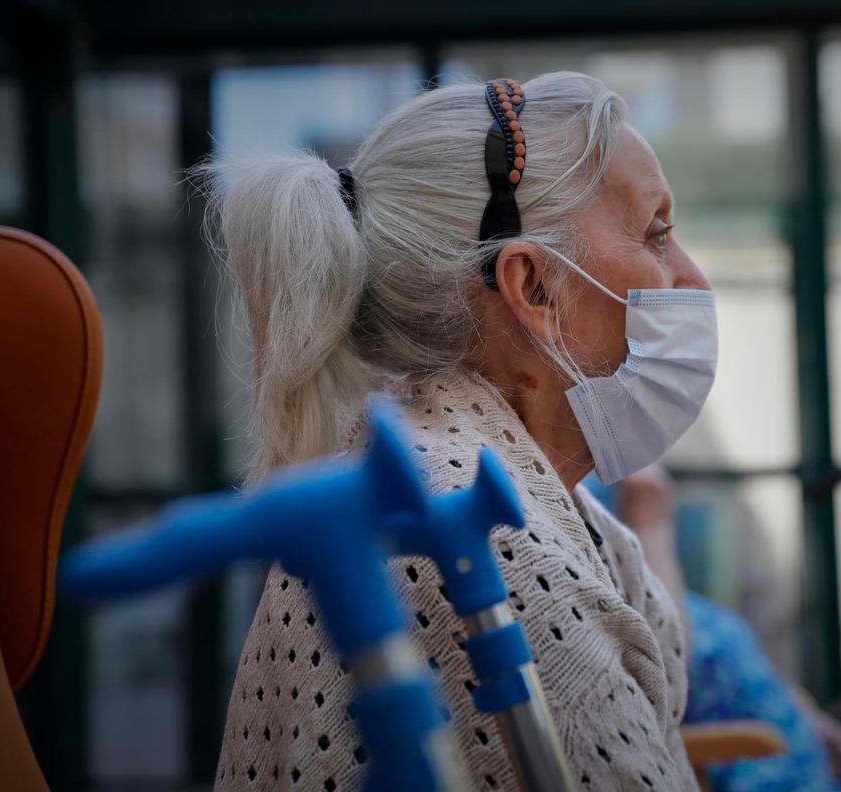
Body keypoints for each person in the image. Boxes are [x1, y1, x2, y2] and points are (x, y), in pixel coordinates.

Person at [203, 73, 718, 790]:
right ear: (534, 287)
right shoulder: (473, 535)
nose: (691, 280)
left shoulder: (489, 488)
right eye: (656, 233)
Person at [616, 468, 841, 792]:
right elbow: (667, 660)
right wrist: (650, 524)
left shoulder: (664, 584)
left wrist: (807, 718)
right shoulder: (633, 590)